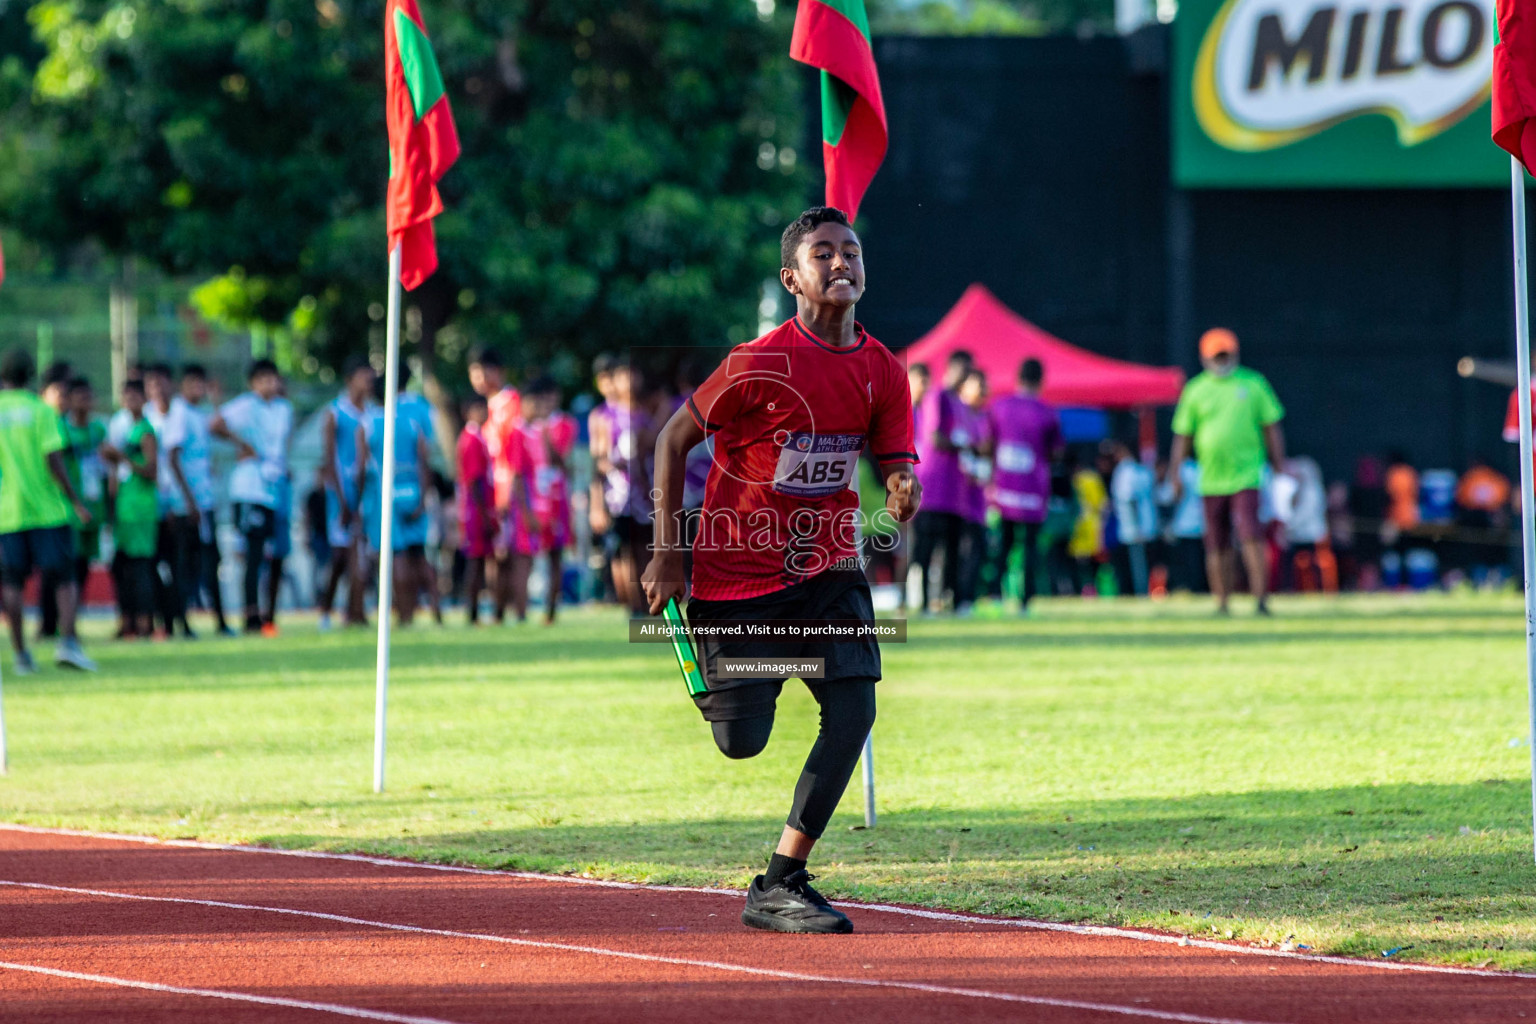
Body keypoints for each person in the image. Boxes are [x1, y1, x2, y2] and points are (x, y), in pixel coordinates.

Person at [642, 206, 920, 935]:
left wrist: (900, 486)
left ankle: (781, 879)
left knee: (855, 707)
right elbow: (674, 440)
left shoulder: (884, 371)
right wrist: (668, 551)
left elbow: (895, 457)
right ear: (790, 278)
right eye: (822, 254)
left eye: (851, 251)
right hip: (738, 575)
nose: (841, 264)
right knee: (742, 742)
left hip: (829, 567)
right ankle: (721, 669)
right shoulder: (756, 363)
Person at [1167, 328, 1287, 616]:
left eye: (1225, 354)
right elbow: (1183, 435)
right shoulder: (1196, 390)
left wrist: (1280, 466)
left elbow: (1271, 427)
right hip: (1210, 479)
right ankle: (1222, 601)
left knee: (1250, 537)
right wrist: (1175, 473)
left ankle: (1260, 599)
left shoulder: (1253, 384)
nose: (1222, 360)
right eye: (1216, 356)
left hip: (1247, 476)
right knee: (1216, 543)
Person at [0, 349, 96, 672]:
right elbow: (54, 460)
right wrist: (75, 500)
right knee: (64, 578)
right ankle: (67, 643)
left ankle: (21, 655)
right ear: (30, 376)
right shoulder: (42, 412)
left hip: (8, 513)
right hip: (47, 511)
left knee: (12, 583)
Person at [211, 358, 293, 635]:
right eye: (265, 379)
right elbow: (215, 424)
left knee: (277, 553)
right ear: (254, 383)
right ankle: (251, 617)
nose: (271, 384)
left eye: (274, 378)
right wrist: (241, 444)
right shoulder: (245, 405)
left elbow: (282, 445)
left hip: (274, 488)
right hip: (249, 489)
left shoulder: (284, 409)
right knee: (253, 554)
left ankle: (269, 615)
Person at [358, 368, 437, 626]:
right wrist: (424, 495)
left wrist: (358, 503)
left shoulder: (369, 423)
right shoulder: (412, 419)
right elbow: (425, 460)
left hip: (384, 497)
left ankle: (404, 616)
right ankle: (436, 613)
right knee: (420, 556)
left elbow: (361, 467)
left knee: (395, 557)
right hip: (412, 492)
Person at [986, 358, 1061, 612]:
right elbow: (1056, 452)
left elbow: (987, 443)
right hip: (1033, 490)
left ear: (1017, 378)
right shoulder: (1047, 412)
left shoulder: (999, 406)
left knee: (1003, 544)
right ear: (1041, 381)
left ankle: (994, 594)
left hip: (1004, 488)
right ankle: (1025, 600)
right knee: (1029, 547)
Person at [505, 376, 577, 625]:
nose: (541, 407)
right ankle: (521, 614)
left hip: (556, 503)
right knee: (523, 558)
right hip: (530, 503)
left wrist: (547, 440)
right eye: (535, 402)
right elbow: (516, 473)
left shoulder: (563, 425)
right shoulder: (517, 432)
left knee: (556, 555)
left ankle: (551, 613)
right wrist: (525, 511)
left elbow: (564, 463)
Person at [910, 349, 975, 612]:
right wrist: (963, 446)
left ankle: (952, 602)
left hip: (955, 492)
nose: (968, 375)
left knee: (953, 550)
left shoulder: (959, 402)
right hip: (933, 487)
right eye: (965, 370)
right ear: (953, 368)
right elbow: (935, 438)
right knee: (925, 550)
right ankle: (922, 603)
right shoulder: (937, 396)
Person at [100, 379, 161, 640]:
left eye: (136, 397)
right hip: (126, 508)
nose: (131, 402)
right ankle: (128, 623)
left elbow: (151, 471)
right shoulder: (125, 430)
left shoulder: (146, 431)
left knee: (140, 567)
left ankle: (146, 623)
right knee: (123, 566)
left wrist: (122, 458)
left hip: (141, 509)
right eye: (127, 397)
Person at [317, 358, 374, 630]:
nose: (369, 382)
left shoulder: (372, 412)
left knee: (359, 552)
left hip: (365, 491)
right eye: (364, 376)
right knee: (340, 555)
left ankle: (356, 611)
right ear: (350, 379)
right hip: (340, 494)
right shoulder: (336, 412)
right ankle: (326, 610)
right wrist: (341, 500)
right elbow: (329, 458)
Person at [177, 365, 232, 636]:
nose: (199, 389)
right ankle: (184, 624)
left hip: (204, 502)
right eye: (194, 384)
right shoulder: (180, 414)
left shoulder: (199, 414)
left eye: (202, 384)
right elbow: (172, 458)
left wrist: (216, 400)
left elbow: (220, 426)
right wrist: (189, 501)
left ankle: (219, 622)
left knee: (211, 560)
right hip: (191, 505)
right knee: (191, 563)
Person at [468, 347, 522, 623]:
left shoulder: (510, 403)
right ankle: (495, 610)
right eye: (474, 372)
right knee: (490, 553)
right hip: (486, 491)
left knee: (506, 553)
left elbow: (512, 455)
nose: (478, 378)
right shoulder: (483, 407)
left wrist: (507, 493)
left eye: (483, 371)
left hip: (505, 490)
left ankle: (508, 611)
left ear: (497, 371)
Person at [144, 364, 197, 638]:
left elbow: (175, 460)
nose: (157, 388)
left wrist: (186, 502)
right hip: (150, 503)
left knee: (179, 566)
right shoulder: (143, 417)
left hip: (174, 503)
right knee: (155, 565)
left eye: (161, 382)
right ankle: (162, 622)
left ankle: (182, 622)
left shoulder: (180, 414)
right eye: (151, 383)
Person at [457, 394, 495, 623]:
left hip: (481, 510)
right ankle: (471, 613)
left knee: (481, 562)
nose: (482, 413)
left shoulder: (480, 437)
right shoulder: (470, 439)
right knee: (475, 561)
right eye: (477, 408)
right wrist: (484, 515)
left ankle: (476, 612)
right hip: (475, 511)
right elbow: (473, 482)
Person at [956, 368, 991, 613]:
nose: (982, 390)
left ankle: (966, 598)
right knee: (958, 550)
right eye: (977, 385)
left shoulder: (983, 419)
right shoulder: (957, 417)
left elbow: (986, 452)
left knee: (976, 549)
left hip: (978, 499)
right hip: (957, 497)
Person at [1108, 439, 1156, 596]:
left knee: (1136, 564)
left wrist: (1136, 526)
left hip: (1133, 526)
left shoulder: (1125, 471)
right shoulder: (1142, 469)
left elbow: (1130, 498)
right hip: (1145, 523)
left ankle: (1139, 593)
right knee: (1142, 563)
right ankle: (1142, 591)